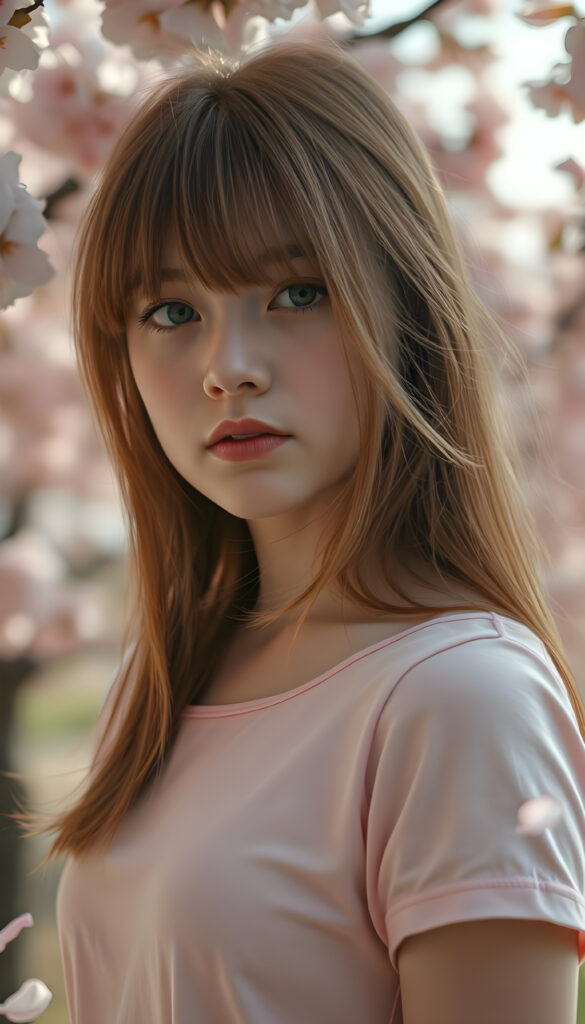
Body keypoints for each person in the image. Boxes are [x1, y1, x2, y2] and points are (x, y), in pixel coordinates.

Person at [18, 37, 585, 1024]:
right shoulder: (160, 684)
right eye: (171, 310)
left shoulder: (459, 698)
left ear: (404, 309)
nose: (227, 368)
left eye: (296, 293)